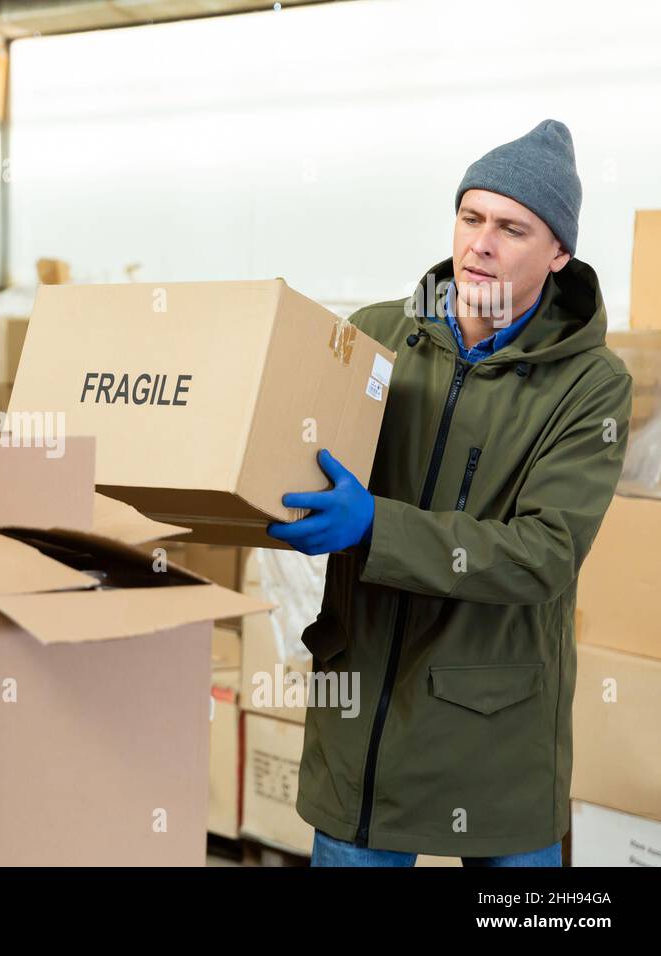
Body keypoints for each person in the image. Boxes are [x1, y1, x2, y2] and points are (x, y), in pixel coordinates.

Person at [266, 119, 632, 866]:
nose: (481, 244)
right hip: (360, 730)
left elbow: (544, 555)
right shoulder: (373, 337)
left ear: (559, 252)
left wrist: (376, 528)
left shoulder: (590, 386)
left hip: (494, 733)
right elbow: (293, 459)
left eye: (512, 227)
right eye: (471, 217)